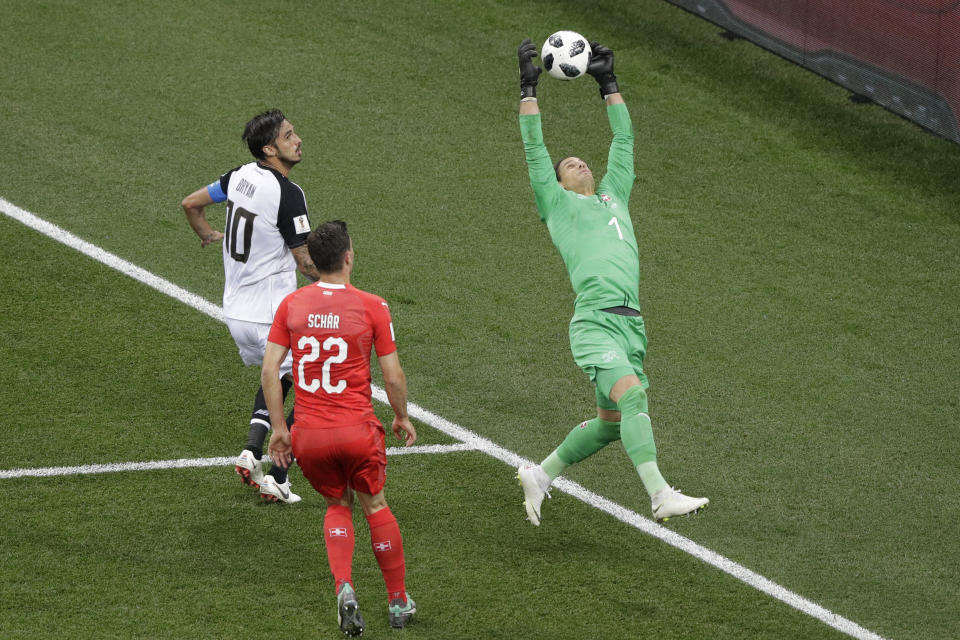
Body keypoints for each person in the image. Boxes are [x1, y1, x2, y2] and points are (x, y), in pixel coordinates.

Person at [514, 38, 709, 524]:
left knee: (610, 423)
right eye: (568, 164)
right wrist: (528, 86)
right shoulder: (557, 206)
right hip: (595, 323)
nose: (576, 162)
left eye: (581, 160)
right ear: (557, 183)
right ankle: (660, 494)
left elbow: (623, 142)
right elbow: (535, 148)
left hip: (632, 325)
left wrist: (609, 84)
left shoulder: (613, 195)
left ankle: (540, 474)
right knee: (634, 396)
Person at [262, 220, 418, 635]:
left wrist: (279, 428)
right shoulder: (372, 306)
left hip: (309, 435)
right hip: (356, 429)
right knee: (375, 506)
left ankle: (345, 587)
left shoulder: (292, 305)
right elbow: (394, 376)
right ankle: (398, 600)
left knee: (337, 505)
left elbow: (269, 369)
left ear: (312, 262)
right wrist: (401, 415)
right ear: (349, 256)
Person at [181, 109, 322, 503]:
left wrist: (208, 233)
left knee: (279, 374)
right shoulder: (289, 194)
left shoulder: (237, 176)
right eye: (289, 135)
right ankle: (278, 475)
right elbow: (305, 261)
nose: (298, 140)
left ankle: (251, 451)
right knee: (320, 388)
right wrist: (339, 287)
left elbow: (190, 203)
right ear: (269, 148)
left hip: (236, 312)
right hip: (270, 315)